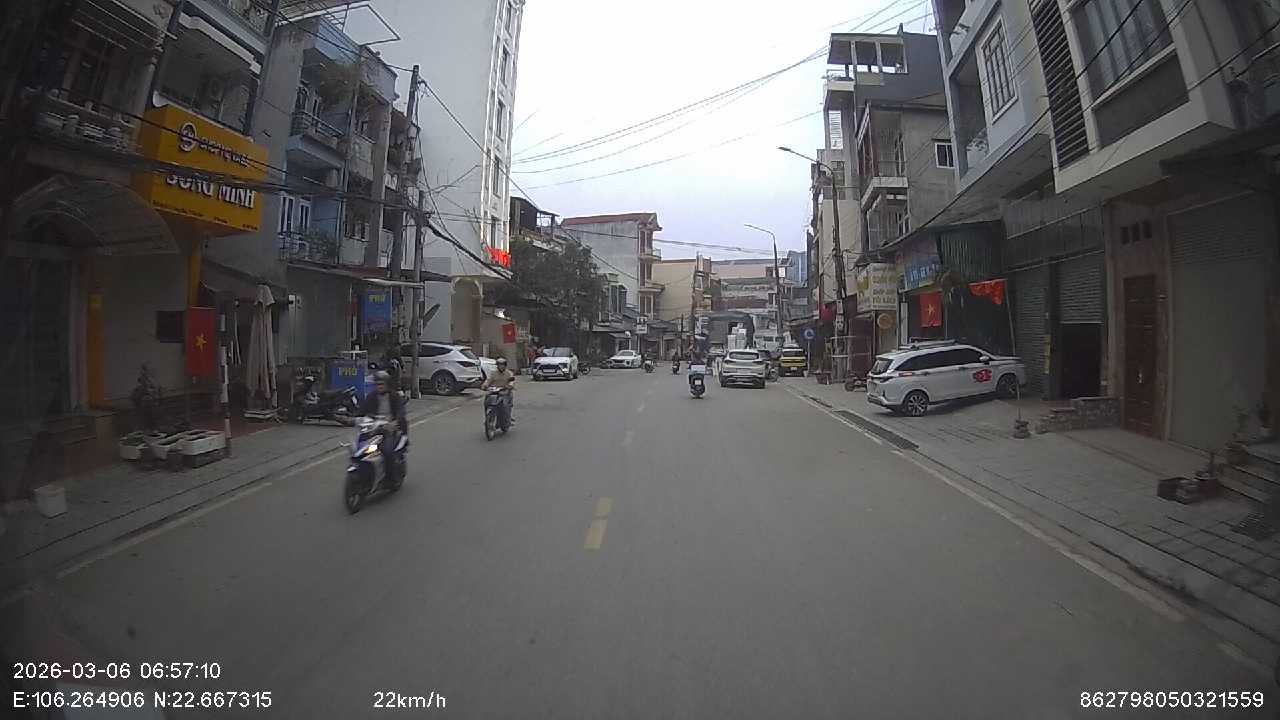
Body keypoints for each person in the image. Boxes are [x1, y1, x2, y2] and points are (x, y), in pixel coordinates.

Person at [357, 370, 408, 475]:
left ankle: (390, 476)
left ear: (387, 384)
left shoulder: (394, 396)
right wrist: (352, 418)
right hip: (374, 428)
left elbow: (401, 411)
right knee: (361, 447)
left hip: (390, 430)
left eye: (381, 384)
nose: (379, 386)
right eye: (377, 384)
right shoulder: (371, 397)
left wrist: (395, 422)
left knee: (387, 451)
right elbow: (362, 411)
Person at [480, 356, 517, 424]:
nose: (501, 367)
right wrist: (484, 385)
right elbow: (488, 380)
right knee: (487, 401)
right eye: (499, 365)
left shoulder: (509, 373)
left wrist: (510, 386)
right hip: (493, 392)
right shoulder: (493, 373)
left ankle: (508, 418)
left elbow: (512, 382)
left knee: (506, 404)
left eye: (502, 365)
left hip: (505, 392)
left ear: (505, 365)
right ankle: (488, 418)